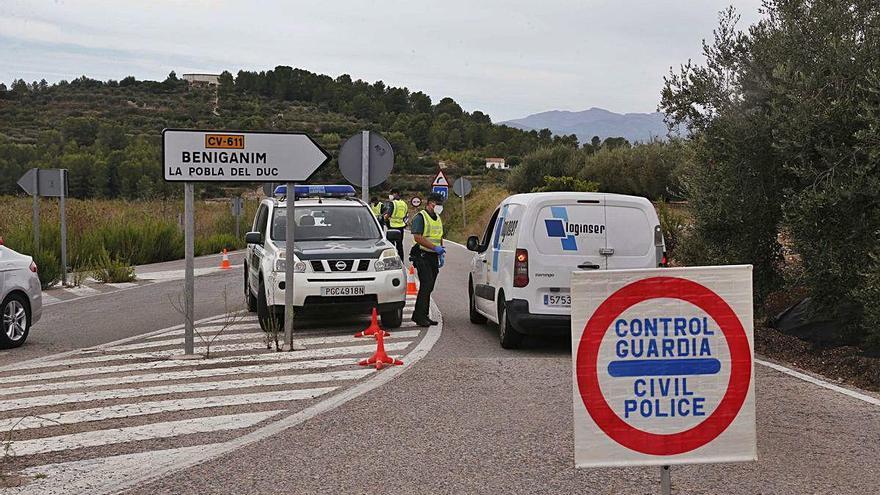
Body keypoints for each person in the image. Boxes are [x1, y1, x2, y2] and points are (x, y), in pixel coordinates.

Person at [409, 192, 445, 327]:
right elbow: (417, 237)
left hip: (433, 256)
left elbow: (439, 235)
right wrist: (435, 248)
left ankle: (423, 315)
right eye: (439, 203)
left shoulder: (437, 217)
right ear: (431, 203)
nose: (440, 206)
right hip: (422, 255)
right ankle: (419, 316)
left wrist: (441, 251)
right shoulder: (420, 217)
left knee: (429, 287)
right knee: (426, 285)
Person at [384, 188, 408, 261]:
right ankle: (401, 260)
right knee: (400, 245)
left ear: (396, 194)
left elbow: (389, 214)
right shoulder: (404, 203)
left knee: (391, 245)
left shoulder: (393, 203)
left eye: (391, 194)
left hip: (392, 226)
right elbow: (406, 214)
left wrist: (385, 218)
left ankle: (392, 260)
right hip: (401, 226)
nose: (390, 196)